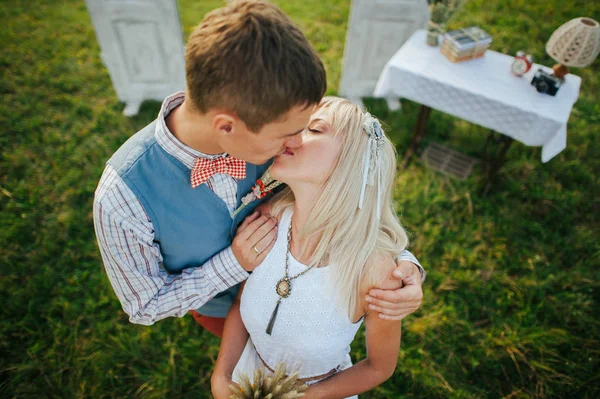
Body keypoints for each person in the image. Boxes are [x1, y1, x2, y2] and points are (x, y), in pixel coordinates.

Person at [93, 0, 425, 339]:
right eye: (287, 134)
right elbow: (146, 304)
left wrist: (403, 264)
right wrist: (233, 265)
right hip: (222, 313)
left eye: (308, 127)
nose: (298, 142)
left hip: (314, 295)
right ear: (227, 128)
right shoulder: (122, 197)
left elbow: (347, 189)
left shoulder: (275, 116)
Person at [212, 97, 414, 399]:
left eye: (315, 129)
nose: (291, 135)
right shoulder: (268, 220)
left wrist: (311, 397)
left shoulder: (374, 271)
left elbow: (378, 366)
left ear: (350, 162)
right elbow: (241, 305)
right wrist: (222, 376)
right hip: (247, 378)